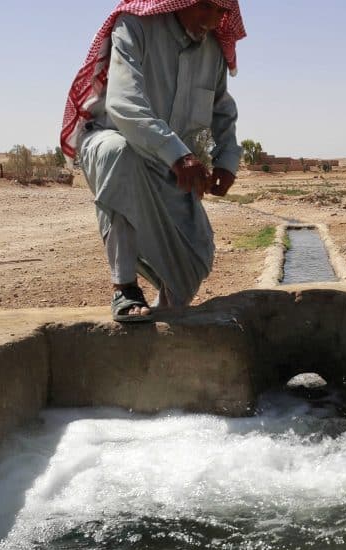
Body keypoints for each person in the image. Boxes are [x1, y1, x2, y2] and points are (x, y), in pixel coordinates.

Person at [60, 0, 246, 322]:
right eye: (205, 7)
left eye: (221, 13)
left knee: (194, 264)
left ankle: (164, 316)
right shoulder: (135, 26)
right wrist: (180, 156)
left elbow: (221, 112)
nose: (212, 20)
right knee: (120, 154)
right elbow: (124, 104)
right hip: (112, 140)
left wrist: (226, 161)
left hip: (172, 161)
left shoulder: (213, 51)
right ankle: (125, 286)